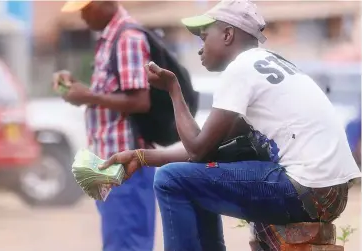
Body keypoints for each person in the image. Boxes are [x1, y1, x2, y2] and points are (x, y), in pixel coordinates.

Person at [99, 0, 362, 250]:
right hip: (331, 195)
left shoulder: (241, 68)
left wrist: (173, 90)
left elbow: (198, 150)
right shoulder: (270, 64)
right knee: (190, 176)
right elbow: (208, 147)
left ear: (227, 35)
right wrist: (142, 156)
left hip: (305, 188)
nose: (200, 48)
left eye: (204, 37)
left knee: (170, 179)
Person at [54, 1, 155, 251]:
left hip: (126, 165)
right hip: (109, 164)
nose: (82, 16)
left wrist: (88, 97)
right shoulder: (109, 38)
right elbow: (111, 95)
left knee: (127, 244)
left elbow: (140, 101)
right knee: (117, 242)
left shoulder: (127, 37)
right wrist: (80, 90)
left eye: (85, 9)